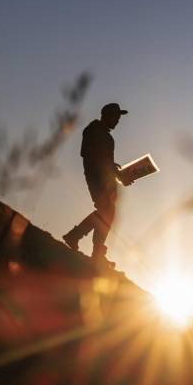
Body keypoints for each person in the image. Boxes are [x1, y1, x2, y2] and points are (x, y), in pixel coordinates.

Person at [62, 102, 130, 265]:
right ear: (106, 115)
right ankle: (86, 244)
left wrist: (116, 172)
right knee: (106, 211)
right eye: (115, 117)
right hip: (97, 178)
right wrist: (114, 171)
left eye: (119, 118)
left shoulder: (106, 136)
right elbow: (91, 156)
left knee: (107, 212)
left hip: (104, 179)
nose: (117, 121)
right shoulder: (94, 130)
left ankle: (88, 245)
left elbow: (104, 161)